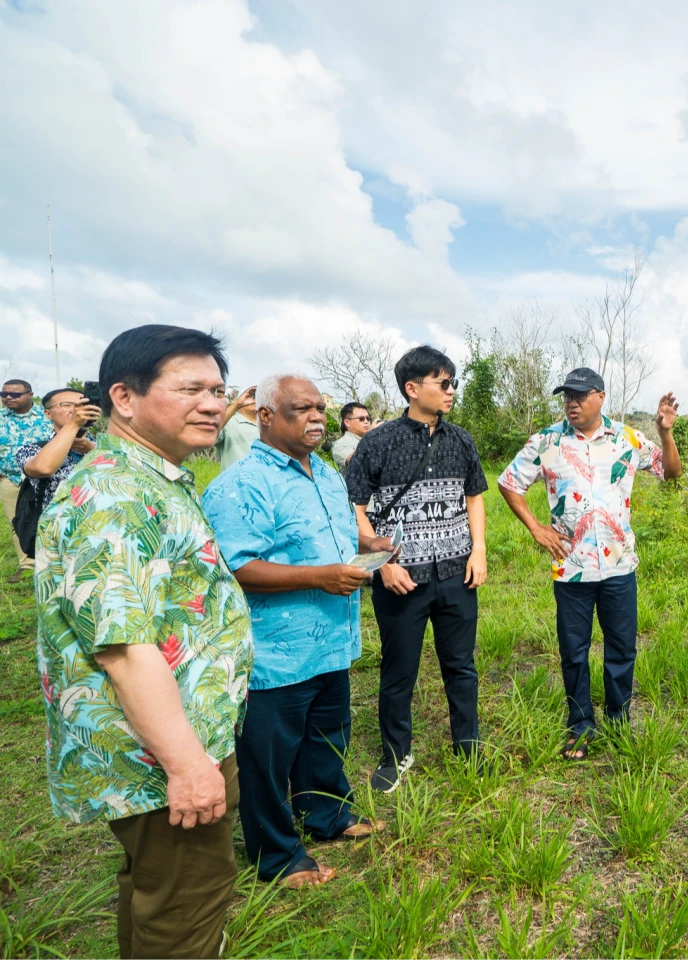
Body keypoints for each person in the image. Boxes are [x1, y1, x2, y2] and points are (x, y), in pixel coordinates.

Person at [34, 325, 253, 960]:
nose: (211, 404)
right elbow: (125, 650)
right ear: (124, 398)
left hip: (177, 735)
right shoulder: (116, 493)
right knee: (188, 906)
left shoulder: (155, 477)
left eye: (218, 390)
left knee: (159, 892)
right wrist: (187, 765)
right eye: (190, 389)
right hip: (159, 751)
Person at [203, 374, 388, 888]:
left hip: (331, 639)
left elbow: (333, 533)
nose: (316, 418)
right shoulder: (242, 484)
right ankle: (278, 856)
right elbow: (237, 566)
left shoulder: (325, 473)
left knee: (325, 737)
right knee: (268, 758)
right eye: (301, 409)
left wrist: (370, 545)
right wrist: (319, 577)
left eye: (320, 409)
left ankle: (327, 815)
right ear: (265, 416)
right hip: (275, 652)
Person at [498, 367, 682, 760]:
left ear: (600, 397)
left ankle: (619, 721)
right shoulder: (547, 441)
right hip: (572, 566)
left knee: (622, 649)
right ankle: (580, 726)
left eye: (580, 395)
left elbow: (671, 472)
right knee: (574, 652)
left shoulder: (627, 438)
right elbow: (509, 482)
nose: (572, 403)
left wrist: (665, 433)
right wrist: (536, 528)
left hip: (619, 565)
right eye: (567, 396)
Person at [347, 345, 488, 792]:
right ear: (412, 388)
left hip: (456, 573)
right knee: (399, 670)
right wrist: (383, 565)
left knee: (461, 666)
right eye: (443, 383)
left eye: (453, 383)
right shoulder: (378, 443)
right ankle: (395, 755)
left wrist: (479, 550)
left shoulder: (461, 440)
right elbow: (355, 507)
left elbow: (474, 497)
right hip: (401, 579)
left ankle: (468, 747)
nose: (451, 391)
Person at [18, 387, 103, 516]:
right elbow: (43, 468)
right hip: (53, 524)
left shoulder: (104, 446)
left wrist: (94, 451)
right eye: (67, 405)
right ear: (48, 413)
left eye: (82, 404)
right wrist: (73, 424)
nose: (76, 410)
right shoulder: (33, 449)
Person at [1, 378, 52, 579]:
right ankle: (28, 565)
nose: (8, 397)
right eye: (4, 394)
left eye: (15, 394)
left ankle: (53, 560)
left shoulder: (47, 415)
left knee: (49, 519)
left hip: (45, 478)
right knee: (18, 521)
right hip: (10, 479)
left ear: (30, 395)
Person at [215, 384, 259, 471]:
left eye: (258, 396)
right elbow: (212, 431)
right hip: (235, 478)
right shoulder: (228, 422)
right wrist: (237, 405)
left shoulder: (269, 426)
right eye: (251, 395)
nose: (254, 399)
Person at [330, 401, 371, 468]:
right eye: (361, 419)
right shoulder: (340, 444)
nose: (366, 421)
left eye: (368, 418)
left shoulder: (372, 439)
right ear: (347, 422)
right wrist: (372, 436)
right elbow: (355, 461)